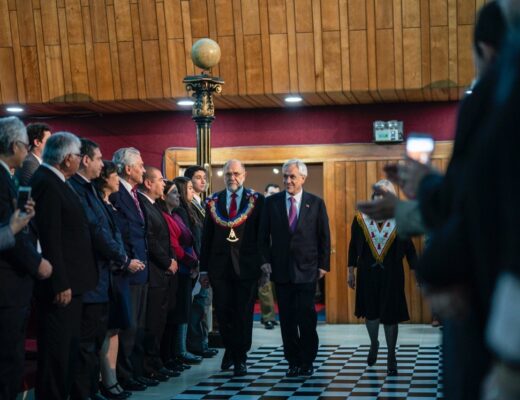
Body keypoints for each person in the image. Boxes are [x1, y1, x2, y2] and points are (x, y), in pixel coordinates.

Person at [31, 132, 97, 399]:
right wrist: (60, 282)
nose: (80, 160)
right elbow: (50, 237)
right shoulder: (46, 182)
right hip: (61, 285)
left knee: (67, 352)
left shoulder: (58, 181)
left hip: (74, 282)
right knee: (56, 355)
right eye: (78, 155)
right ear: (68, 158)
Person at [69, 139, 136, 400]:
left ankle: (92, 388)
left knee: (96, 339)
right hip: (91, 277)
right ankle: (85, 392)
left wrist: (119, 256)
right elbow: (97, 231)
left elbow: (108, 229)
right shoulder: (77, 189)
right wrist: (122, 258)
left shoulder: (89, 191)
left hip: (103, 275)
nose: (101, 163)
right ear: (85, 160)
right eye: (98, 158)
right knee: (86, 343)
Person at [259, 159, 330, 377]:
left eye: (292, 176)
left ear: (303, 178)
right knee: (287, 320)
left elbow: (324, 237)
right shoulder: (271, 203)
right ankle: (293, 361)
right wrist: (264, 261)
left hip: (308, 269)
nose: (287, 180)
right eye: (285, 176)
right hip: (281, 270)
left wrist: (324, 265)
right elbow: (263, 236)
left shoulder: (316, 203)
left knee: (307, 318)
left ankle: (307, 360)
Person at [0, 116, 52, 400]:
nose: (26, 151)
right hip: (8, 283)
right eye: (24, 145)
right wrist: (36, 263)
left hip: (13, 284)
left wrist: (23, 218)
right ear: (14, 145)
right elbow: (11, 233)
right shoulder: (3, 179)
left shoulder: (9, 177)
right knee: (8, 361)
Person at [199, 159, 264, 376]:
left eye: (236, 173)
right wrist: (204, 269)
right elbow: (206, 238)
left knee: (243, 314)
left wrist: (264, 264)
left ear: (244, 175)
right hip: (219, 268)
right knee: (223, 312)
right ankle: (230, 348)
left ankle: (240, 357)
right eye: (228, 174)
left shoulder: (257, 200)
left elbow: (262, 235)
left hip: (247, 267)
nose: (232, 178)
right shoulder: (213, 201)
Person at [348, 180, 418, 376]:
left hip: (392, 274)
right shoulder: (360, 218)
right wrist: (350, 271)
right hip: (367, 274)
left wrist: (416, 271)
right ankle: (374, 343)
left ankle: (391, 355)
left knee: (390, 314)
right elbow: (353, 246)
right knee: (371, 314)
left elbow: (410, 249)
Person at [93, 161, 139, 400]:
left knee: (116, 328)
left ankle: (112, 379)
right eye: (114, 176)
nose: (117, 180)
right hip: (110, 272)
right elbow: (103, 238)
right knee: (107, 328)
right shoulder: (98, 204)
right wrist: (123, 260)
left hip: (120, 273)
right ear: (105, 179)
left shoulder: (112, 204)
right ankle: (105, 381)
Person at [110, 147, 152, 391]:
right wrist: (127, 261)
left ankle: (136, 371)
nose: (144, 170)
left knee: (139, 326)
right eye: (140, 165)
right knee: (129, 327)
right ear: (128, 169)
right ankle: (124, 375)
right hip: (129, 269)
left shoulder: (133, 194)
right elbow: (121, 233)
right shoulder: (117, 194)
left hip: (142, 268)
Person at [138, 166, 179, 382]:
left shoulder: (154, 205)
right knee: (152, 323)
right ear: (148, 183)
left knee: (160, 322)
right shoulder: (143, 205)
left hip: (162, 272)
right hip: (154, 271)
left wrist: (171, 259)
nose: (164, 184)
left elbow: (165, 238)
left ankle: (156, 362)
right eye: (161, 180)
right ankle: (148, 365)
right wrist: (167, 261)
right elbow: (150, 239)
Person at [158, 179, 201, 370]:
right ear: (164, 196)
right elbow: (174, 245)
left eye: (177, 192)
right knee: (174, 315)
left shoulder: (176, 215)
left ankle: (175, 353)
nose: (178, 196)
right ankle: (171, 355)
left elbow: (189, 238)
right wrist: (192, 262)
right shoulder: (165, 216)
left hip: (186, 268)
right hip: (179, 268)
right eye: (174, 193)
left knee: (182, 313)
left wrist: (195, 262)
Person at [184, 166, 217, 359]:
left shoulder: (203, 203)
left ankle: (203, 341)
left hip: (207, 260)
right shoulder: (188, 205)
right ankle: (197, 344)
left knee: (204, 303)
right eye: (198, 177)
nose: (203, 181)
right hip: (197, 260)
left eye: (205, 177)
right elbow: (196, 236)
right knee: (199, 304)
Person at [258, 183, 280, 330]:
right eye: (271, 193)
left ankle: (268, 316)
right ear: (265, 193)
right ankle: (268, 318)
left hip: (277, 254)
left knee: (275, 287)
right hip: (262, 254)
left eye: (276, 194)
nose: (274, 196)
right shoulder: (259, 208)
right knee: (264, 286)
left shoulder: (279, 208)